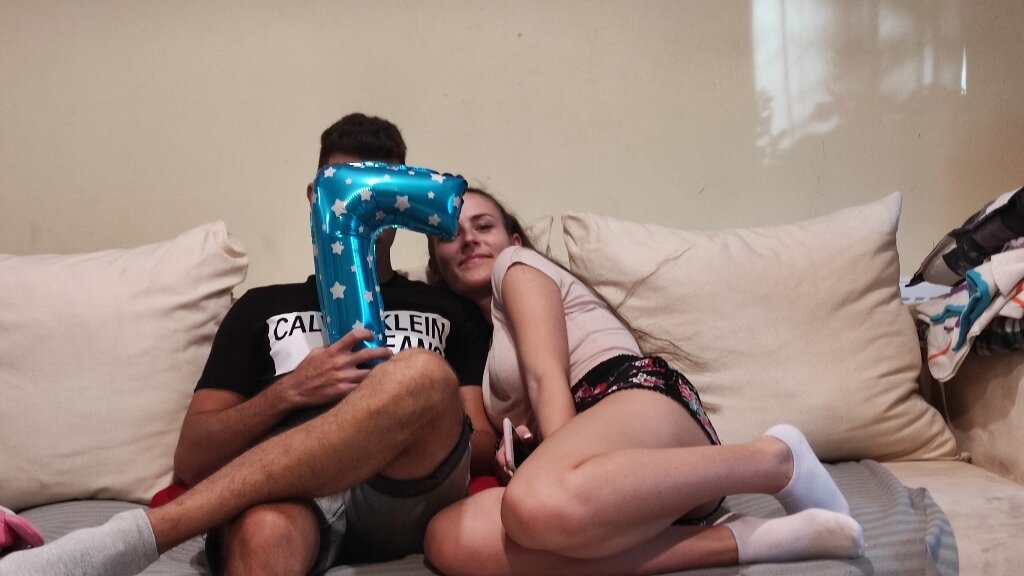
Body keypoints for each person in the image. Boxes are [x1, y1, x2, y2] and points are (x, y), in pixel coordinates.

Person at [0, 113, 494, 576]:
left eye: (379, 188)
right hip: (295, 495)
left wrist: (395, 412)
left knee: (421, 374)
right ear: (315, 196)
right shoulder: (261, 307)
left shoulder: (447, 307)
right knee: (262, 533)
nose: (364, 202)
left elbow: (483, 449)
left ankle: (135, 538)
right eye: (346, 186)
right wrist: (291, 391)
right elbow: (193, 458)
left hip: (404, 489)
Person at [421, 189, 865, 576]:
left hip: (632, 398)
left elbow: (546, 375)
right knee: (449, 538)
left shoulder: (516, 266)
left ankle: (772, 460)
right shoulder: (480, 353)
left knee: (534, 502)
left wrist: (553, 471)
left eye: (484, 226)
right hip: (617, 488)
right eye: (450, 234)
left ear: (514, 240)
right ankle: (748, 540)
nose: (469, 238)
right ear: (436, 266)